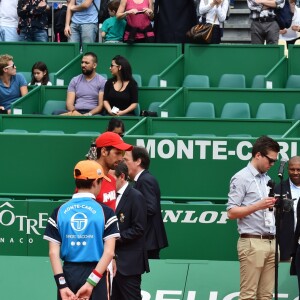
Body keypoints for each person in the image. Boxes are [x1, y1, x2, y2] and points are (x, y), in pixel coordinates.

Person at [43, 160, 120, 300]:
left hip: (68, 274)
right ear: (96, 182)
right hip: (97, 274)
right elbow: (109, 252)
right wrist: (91, 283)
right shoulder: (106, 213)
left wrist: (62, 286)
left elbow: (53, 253)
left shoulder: (58, 212)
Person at [227, 135, 280, 300]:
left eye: (274, 162)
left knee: (266, 295)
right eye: (270, 160)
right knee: (249, 295)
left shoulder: (268, 179)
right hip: (252, 241)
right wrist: (259, 205)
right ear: (258, 155)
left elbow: (267, 209)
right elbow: (231, 212)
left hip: (271, 240)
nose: (272, 164)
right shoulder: (241, 177)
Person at [111, 161, 149, 300]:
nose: (108, 182)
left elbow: (139, 228)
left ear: (122, 176)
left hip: (129, 264)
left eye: (111, 178)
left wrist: (114, 238)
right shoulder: (108, 196)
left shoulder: (136, 196)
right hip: (109, 262)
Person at [123, 146, 168, 259]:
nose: (123, 163)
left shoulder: (145, 180)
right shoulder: (141, 180)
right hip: (147, 240)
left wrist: (130, 216)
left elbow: (150, 208)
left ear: (138, 161)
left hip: (149, 241)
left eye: (126, 160)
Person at [55, 52, 106, 116]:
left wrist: (88, 114)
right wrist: (75, 112)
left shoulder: (102, 81)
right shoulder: (74, 80)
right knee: (56, 113)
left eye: (86, 63)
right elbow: (69, 104)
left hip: (92, 113)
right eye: (82, 62)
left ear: (94, 65)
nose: (83, 65)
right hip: (76, 111)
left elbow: (100, 106)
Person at [275, 156, 300, 261]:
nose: (295, 172)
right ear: (287, 169)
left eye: (299, 169)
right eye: (292, 169)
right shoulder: (279, 189)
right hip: (288, 244)